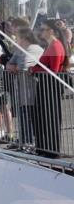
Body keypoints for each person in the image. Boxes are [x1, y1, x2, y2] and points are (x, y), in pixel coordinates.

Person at [31, 19, 69, 157]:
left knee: (49, 118)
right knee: (42, 117)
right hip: (44, 86)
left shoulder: (55, 46)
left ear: (51, 31)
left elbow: (53, 70)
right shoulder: (50, 45)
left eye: (43, 29)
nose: (40, 32)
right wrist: (34, 69)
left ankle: (51, 150)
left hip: (50, 87)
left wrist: (35, 70)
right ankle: (43, 148)